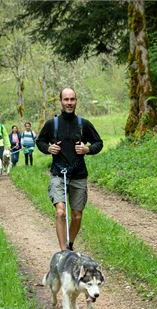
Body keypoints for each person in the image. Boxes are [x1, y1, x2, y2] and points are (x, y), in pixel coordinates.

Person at [36, 87, 104, 251]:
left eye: (72, 99)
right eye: (66, 99)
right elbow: (40, 141)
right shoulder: (53, 124)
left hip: (79, 174)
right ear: (61, 101)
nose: (69, 103)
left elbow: (98, 143)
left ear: (76, 101)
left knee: (77, 215)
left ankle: (70, 244)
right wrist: (48, 149)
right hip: (58, 174)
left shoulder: (83, 124)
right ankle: (63, 252)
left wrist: (87, 149)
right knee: (60, 212)